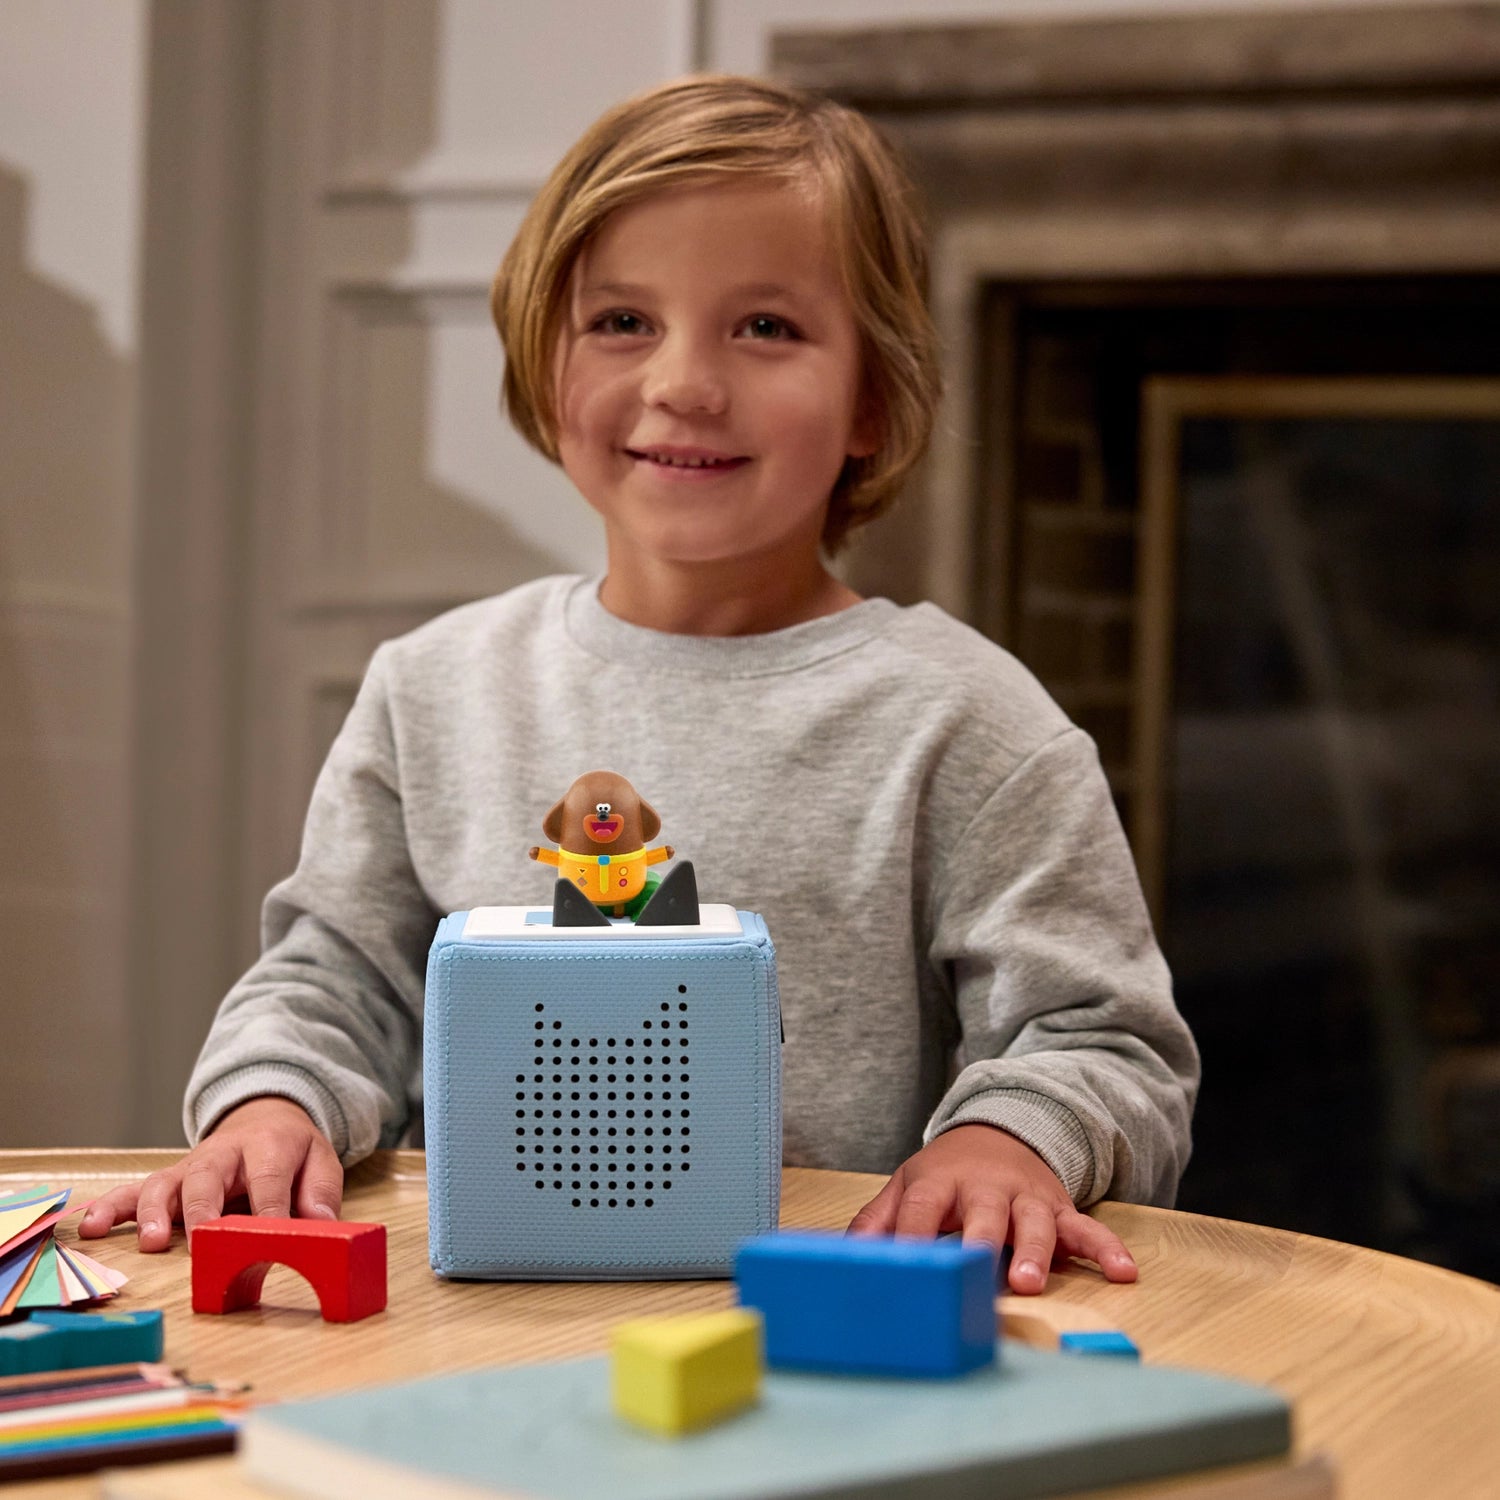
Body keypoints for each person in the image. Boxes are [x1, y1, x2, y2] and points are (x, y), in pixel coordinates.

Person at [81, 74, 1199, 1294]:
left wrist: (1006, 1143)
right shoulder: (433, 690)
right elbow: (334, 984)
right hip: (486, 1317)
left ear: (873, 398)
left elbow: (1104, 1043)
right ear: (539, 360)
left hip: (815, 1319)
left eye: (764, 327)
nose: (685, 384)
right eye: (622, 321)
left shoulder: (972, 722)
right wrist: (270, 1104)